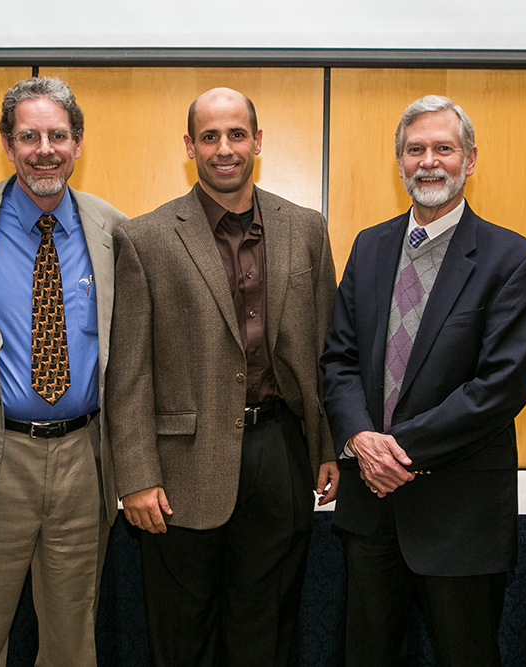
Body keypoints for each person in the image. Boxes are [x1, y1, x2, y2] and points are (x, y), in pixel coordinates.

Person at [105, 86, 339, 667]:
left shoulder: (307, 228)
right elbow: (128, 371)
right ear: (190, 146)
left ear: (258, 141)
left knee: (268, 631)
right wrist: (134, 474)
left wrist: (327, 447)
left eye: (237, 134)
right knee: (183, 638)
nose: (224, 148)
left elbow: (326, 349)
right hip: (181, 466)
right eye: (209, 136)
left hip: (280, 454)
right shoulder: (146, 238)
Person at [321, 94, 526, 667]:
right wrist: (358, 441)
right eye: (415, 149)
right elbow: (338, 359)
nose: (429, 161)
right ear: (398, 161)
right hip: (370, 512)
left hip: (459, 514)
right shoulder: (369, 246)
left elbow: (499, 387)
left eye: (443, 148)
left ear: (470, 160)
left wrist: (394, 450)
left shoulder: (512, 259)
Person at [0, 77, 127, 667]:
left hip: (84, 462)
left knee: (73, 638)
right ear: (7, 143)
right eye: (29, 135)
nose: (45, 148)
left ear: (79, 143)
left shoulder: (112, 228)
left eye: (58, 135)